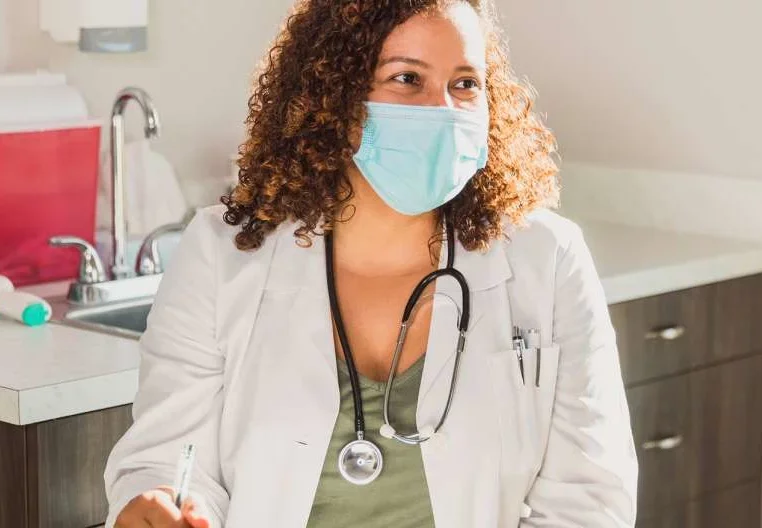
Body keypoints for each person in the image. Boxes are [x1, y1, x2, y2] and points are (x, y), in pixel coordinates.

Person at [104, 0, 638, 527]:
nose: (443, 110)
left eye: (465, 84)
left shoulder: (548, 259)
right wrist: (162, 505)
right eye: (407, 79)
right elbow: (168, 459)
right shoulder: (220, 254)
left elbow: (589, 502)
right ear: (333, 96)